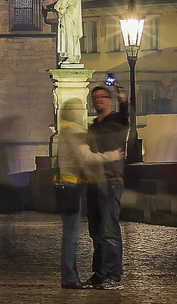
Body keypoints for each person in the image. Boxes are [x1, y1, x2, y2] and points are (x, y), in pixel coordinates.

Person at [56, 99, 112, 289]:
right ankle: (69, 278)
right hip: (72, 185)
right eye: (79, 108)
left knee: (69, 235)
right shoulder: (73, 130)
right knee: (71, 236)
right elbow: (86, 156)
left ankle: (69, 276)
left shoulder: (65, 129)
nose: (82, 111)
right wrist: (113, 155)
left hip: (67, 184)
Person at [85, 83, 129, 289]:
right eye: (95, 98)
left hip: (111, 179)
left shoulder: (117, 120)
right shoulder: (92, 127)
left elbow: (126, 117)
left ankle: (113, 275)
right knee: (95, 231)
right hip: (94, 181)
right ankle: (100, 273)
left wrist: (125, 104)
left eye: (102, 96)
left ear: (109, 100)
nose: (98, 100)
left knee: (109, 229)